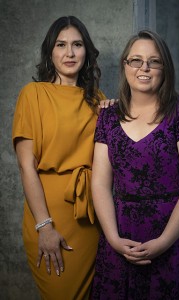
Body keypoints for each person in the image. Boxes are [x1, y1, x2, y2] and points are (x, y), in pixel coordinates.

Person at [90, 29, 179, 299]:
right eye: (136, 60)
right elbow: (99, 183)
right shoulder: (109, 117)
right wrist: (112, 238)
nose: (144, 67)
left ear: (164, 67)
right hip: (121, 238)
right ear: (125, 65)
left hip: (177, 238)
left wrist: (164, 242)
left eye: (153, 61)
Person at [12, 16, 115, 300]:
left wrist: (116, 117)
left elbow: (113, 160)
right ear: (50, 52)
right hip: (49, 215)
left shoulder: (98, 99)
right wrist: (44, 226)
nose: (69, 53)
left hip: (91, 215)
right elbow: (26, 166)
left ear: (87, 51)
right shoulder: (33, 94)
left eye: (77, 45)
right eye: (61, 45)